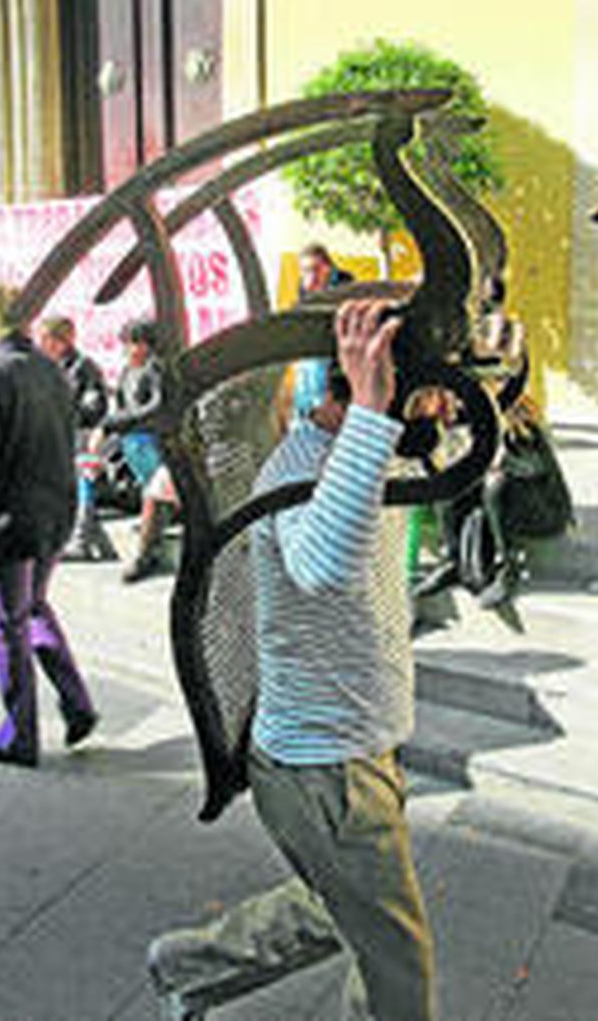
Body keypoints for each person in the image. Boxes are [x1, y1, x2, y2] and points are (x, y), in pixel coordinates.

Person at [147, 299, 436, 1021]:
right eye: (428, 387)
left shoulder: (368, 449)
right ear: (376, 380)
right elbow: (320, 565)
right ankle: (187, 965)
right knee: (399, 966)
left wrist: (386, 413)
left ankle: (188, 963)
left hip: (352, 756)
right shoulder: (304, 464)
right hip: (326, 770)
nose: (440, 404)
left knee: (338, 907)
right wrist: (373, 405)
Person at [0, 282, 99, 768]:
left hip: (7, 524)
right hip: (52, 516)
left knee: (9, 626)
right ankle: (77, 703)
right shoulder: (51, 371)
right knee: (32, 608)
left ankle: (19, 737)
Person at [35, 314, 116, 562]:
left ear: (61, 341)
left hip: (86, 436)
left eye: (47, 339)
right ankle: (95, 539)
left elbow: (94, 409)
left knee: (78, 466)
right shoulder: (44, 367)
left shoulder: (83, 367)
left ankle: (80, 538)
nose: (42, 345)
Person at [107, 318, 172, 581]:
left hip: (152, 440)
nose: (129, 349)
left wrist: (126, 420)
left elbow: (157, 406)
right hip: (132, 441)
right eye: (127, 343)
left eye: (135, 343)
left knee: (155, 491)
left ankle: (147, 553)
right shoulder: (126, 372)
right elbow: (121, 406)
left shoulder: (154, 369)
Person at [290, 243, 355, 418]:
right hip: (308, 378)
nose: (310, 277)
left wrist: (336, 390)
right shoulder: (305, 292)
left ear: (329, 268)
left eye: (315, 269)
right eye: (305, 271)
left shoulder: (345, 292)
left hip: (332, 378)